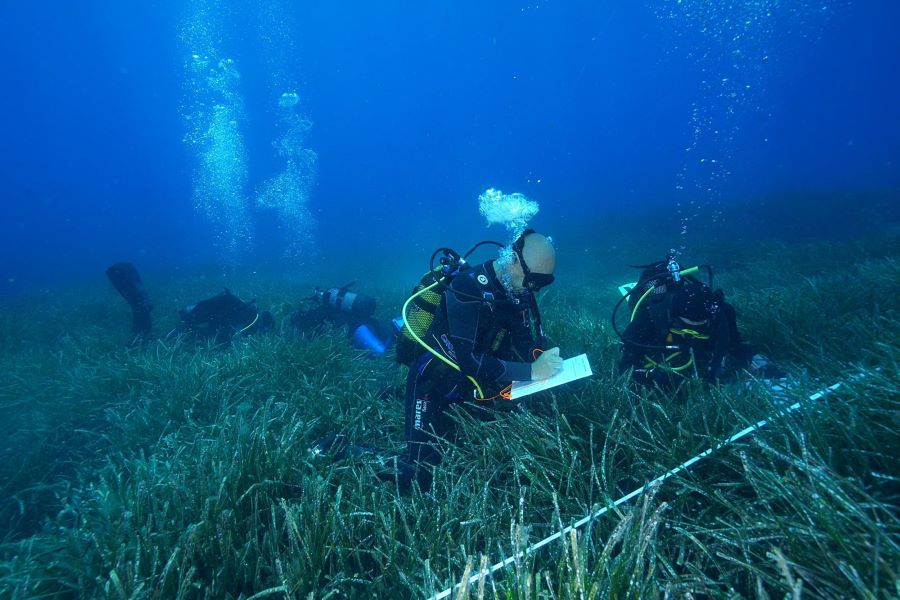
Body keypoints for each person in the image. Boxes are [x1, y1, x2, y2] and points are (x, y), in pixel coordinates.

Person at [389, 229, 563, 491]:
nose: (534, 289)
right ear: (513, 260)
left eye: (542, 283)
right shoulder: (467, 286)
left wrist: (542, 359)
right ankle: (347, 451)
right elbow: (469, 361)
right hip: (432, 383)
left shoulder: (517, 291)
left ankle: (392, 395)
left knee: (470, 455)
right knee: (419, 476)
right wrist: (532, 371)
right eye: (533, 281)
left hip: (469, 387)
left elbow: (525, 341)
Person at [616, 253, 779, 387]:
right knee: (641, 301)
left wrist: (752, 361)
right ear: (674, 318)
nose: (693, 335)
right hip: (655, 300)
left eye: (700, 329)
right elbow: (626, 364)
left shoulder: (721, 313)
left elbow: (734, 345)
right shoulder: (652, 315)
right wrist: (650, 376)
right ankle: (652, 281)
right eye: (686, 327)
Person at [105, 262, 275, 346]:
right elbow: (226, 337)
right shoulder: (251, 319)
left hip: (195, 313)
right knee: (157, 339)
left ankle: (141, 305)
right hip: (195, 316)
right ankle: (142, 324)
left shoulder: (246, 309)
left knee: (150, 321)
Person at [290, 283, 393, 355]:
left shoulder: (324, 309)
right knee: (389, 337)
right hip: (367, 322)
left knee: (381, 353)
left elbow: (306, 322)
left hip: (356, 330)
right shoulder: (342, 301)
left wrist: (296, 317)